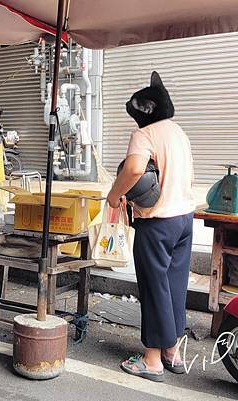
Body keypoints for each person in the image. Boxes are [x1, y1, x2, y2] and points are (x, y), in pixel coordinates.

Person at [107, 72, 195, 382]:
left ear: (145, 110)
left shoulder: (145, 135)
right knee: (173, 286)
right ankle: (172, 351)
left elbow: (133, 169)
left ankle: (153, 359)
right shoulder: (178, 132)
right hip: (185, 219)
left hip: (157, 223)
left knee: (154, 287)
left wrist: (114, 196)